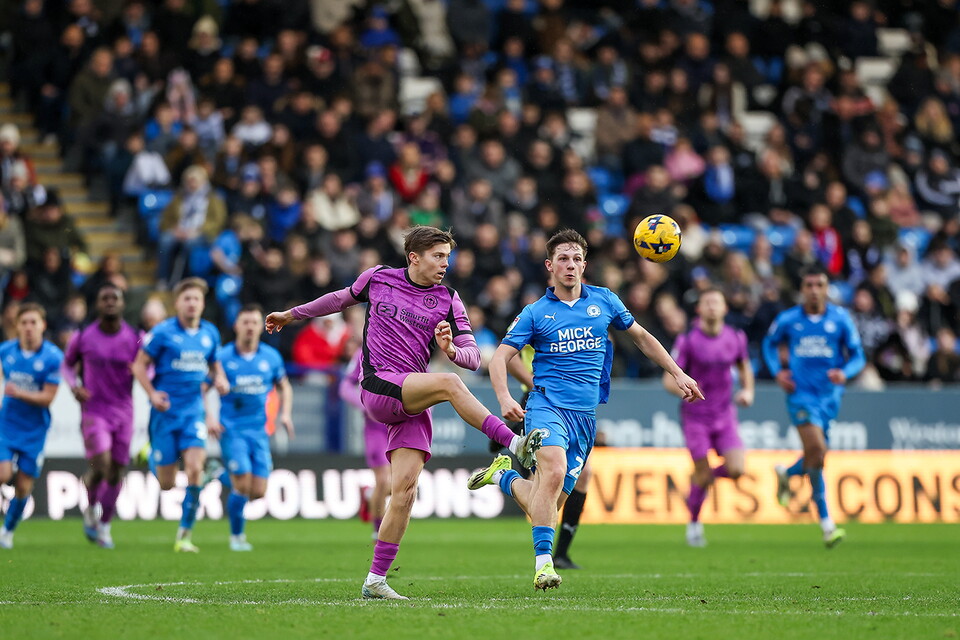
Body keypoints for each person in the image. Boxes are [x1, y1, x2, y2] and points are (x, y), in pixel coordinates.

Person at [265, 225, 544, 600]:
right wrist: (291, 315)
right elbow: (337, 299)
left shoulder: (448, 298)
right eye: (438, 256)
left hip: (410, 399)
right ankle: (514, 441)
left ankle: (375, 580)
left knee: (405, 492)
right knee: (448, 384)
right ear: (414, 257)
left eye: (448, 256)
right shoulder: (378, 278)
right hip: (379, 384)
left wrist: (451, 350)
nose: (446, 263)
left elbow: (473, 357)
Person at [469, 229, 703, 590]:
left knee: (543, 503)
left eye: (577, 259)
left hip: (585, 415)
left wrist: (677, 370)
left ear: (585, 265)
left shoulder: (605, 301)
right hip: (546, 406)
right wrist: (504, 398)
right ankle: (544, 565)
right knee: (553, 471)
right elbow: (501, 357)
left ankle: (503, 476)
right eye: (563, 258)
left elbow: (640, 336)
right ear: (550, 266)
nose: (571, 265)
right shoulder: (535, 313)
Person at [762, 264, 865, 548]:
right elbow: (769, 345)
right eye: (809, 285)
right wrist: (777, 371)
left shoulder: (841, 319)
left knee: (816, 458)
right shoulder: (789, 319)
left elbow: (858, 355)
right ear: (802, 289)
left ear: (827, 288)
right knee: (817, 451)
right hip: (801, 395)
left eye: (819, 284)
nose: (814, 290)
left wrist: (845, 372)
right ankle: (827, 524)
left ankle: (789, 475)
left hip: (830, 397)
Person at [131, 278, 229, 552]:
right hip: (165, 413)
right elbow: (138, 366)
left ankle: (184, 536)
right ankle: (149, 453)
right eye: (187, 299)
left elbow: (215, 366)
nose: (192, 303)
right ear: (177, 304)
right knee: (167, 484)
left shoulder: (210, 333)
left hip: (193, 413)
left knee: (195, 469)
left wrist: (220, 379)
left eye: (196, 299)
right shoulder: (162, 333)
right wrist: (151, 393)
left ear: (202, 304)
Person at [663, 288, 754, 548]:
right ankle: (693, 523)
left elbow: (744, 366)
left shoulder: (736, 337)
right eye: (708, 302)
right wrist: (685, 392)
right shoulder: (688, 340)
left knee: (737, 469)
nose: (713, 306)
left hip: (725, 414)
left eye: (717, 302)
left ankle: (699, 478)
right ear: (699, 309)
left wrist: (747, 390)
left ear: (725, 309)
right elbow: (668, 379)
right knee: (703, 474)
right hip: (696, 417)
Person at [207, 304, 293, 551]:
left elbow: (284, 386)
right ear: (236, 326)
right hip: (232, 429)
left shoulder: (270, 357)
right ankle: (237, 537)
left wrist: (285, 414)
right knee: (242, 483)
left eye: (254, 322)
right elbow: (203, 388)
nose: (250, 327)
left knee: (258, 492)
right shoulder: (222, 357)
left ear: (261, 327)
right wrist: (210, 417)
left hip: (259, 431)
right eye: (245, 322)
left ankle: (215, 473)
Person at [62, 284, 141, 549]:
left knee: (117, 470)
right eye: (104, 298)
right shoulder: (83, 336)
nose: (109, 302)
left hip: (124, 412)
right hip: (95, 410)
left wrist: (145, 375)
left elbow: (147, 368)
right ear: (97, 304)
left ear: (122, 304)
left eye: (114, 298)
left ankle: (105, 526)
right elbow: (67, 365)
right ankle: (92, 506)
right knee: (102, 461)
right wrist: (74, 386)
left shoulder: (134, 337)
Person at [0, 303, 64, 549]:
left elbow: (48, 397)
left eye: (33, 323)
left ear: (43, 326)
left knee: (24, 486)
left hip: (35, 430)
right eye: (24, 322)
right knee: (3, 474)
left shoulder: (53, 357)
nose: (28, 328)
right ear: (16, 326)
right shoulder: (5, 351)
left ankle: (8, 531)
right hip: (6, 425)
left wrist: (19, 392)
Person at [339, 349, 390, 538]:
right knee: (384, 480)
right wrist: (364, 406)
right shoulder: (364, 351)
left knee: (401, 483)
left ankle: (370, 494)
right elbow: (345, 386)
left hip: (402, 424)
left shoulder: (409, 344)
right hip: (376, 427)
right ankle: (378, 531)